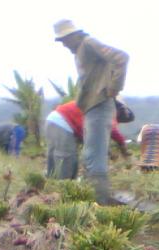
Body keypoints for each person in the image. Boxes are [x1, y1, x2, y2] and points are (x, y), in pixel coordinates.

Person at [53, 19, 129, 204]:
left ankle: (99, 204)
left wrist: (114, 87)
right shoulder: (80, 50)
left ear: (73, 35)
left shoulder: (88, 43)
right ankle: (91, 201)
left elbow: (121, 57)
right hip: (91, 106)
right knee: (90, 155)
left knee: (95, 158)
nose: (63, 45)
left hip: (99, 103)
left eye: (64, 40)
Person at [45, 99, 131, 179]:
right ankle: (63, 190)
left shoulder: (94, 103)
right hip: (63, 123)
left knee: (54, 161)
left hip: (53, 120)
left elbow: (94, 138)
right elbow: (115, 133)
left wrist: (108, 152)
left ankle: (51, 186)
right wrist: (124, 150)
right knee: (67, 161)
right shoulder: (107, 112)